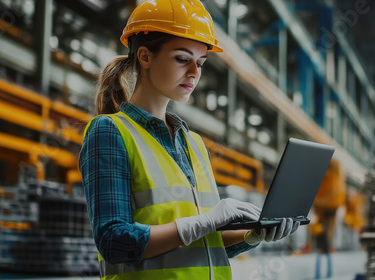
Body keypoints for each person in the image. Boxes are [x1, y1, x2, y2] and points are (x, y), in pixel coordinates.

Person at [79, 0, 300, 279]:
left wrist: (253, 233)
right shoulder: (110, 132)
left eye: (201, 63)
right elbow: (114, 242)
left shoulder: (194, 143)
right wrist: (206, 221)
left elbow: (205, 244)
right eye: (182, 59)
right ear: (145, 57)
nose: (195, 73)